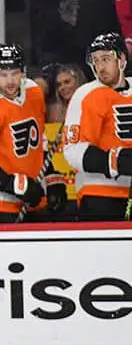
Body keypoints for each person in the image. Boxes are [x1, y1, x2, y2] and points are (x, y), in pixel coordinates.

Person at [0, 43, 68, 223]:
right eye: (3, 75)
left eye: (15, 73)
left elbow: (38, 141)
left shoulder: (33, 92)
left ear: (23, 72)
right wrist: (14, 185)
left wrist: (51, 177)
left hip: (31, 198)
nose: (10, 81)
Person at [63, 32, 132, 221]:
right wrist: (115, 161)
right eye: (96, 61)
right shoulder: (86, 94)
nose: (100, 67)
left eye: (106, 59)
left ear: (122, 59)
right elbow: (73, 149)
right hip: (99, 192)